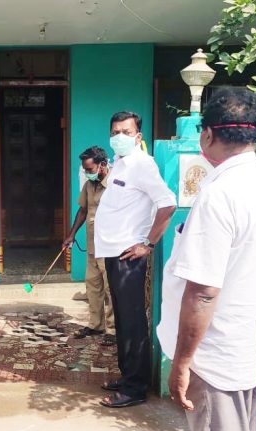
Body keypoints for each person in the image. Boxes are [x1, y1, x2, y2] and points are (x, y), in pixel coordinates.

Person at [157, 87, 256, 431]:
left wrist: (182, 362)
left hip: (216, 360)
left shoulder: (219, 195)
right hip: (252, 348)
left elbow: (203, 292)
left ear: (207, 135)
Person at [94, 111, 177, 408]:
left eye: (126, 132)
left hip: (128, 255)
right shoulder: (120, 163)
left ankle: (135, 389)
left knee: (132, 322)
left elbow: (167, 204)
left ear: (138, 136)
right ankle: (128, 376)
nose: (119, 137)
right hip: (113, 252)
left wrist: (148, 244)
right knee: (123, 320)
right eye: (115, 132)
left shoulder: (142, 165)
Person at [63, 146, 115, 346]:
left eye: (89, 169)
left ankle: (113, 329)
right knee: (93, 286)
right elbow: (83, 210)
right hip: (93, 246)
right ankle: (96, 325)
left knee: (110, 289)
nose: (86, 173)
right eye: (84, 169)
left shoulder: (115, 184)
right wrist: (71, 235)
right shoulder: (89, 185)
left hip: (110, 247)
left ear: (102, 165)